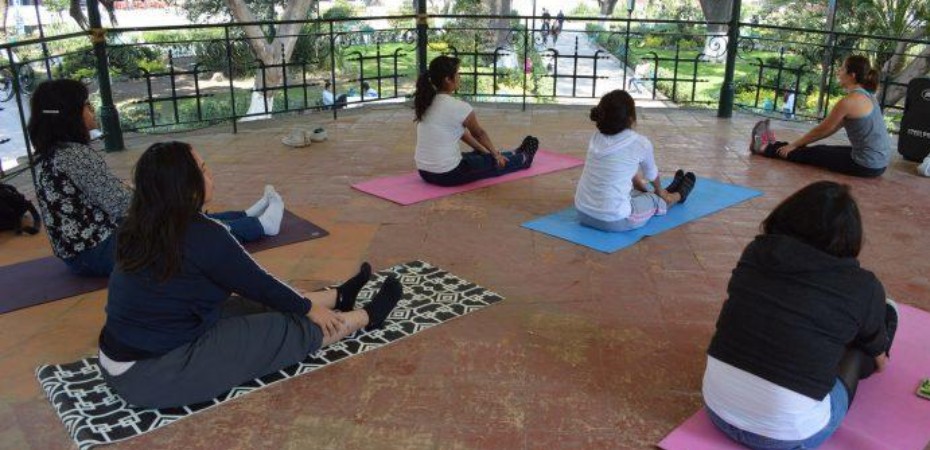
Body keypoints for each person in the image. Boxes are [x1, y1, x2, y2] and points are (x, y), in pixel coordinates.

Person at [96, 141, 404, 409]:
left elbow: (247, 292)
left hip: (121, 361)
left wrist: (312, 303)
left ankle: (339, 296)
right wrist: (311, 310)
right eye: (203, 169)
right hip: (155, 375)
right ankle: (365, 317)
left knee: (239, 307)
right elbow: (260, 284)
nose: (210, 174)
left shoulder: (136, 225)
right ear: (185, 186)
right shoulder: (204, 235)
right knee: (284, 328)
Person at [703, 181, 898, 449]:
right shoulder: (863, 285)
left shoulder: (756, 251)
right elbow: (880, 362)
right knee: (866, 339)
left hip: (716, 410)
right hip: (789, 437)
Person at [27, 79, 283, 278]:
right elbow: (123, 206)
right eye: (85, 104)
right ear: (70, 113)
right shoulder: (74, 156)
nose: (91, 110)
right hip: (98, 251)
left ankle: (245, 217)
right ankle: (260, 227)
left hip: (82, 251)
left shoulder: (51, 153)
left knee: (178, 218)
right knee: (181, 229)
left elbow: (99, 197)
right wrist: (154, 195)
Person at [750, 55, 892, 177]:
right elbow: (832, 128)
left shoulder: (850, 101)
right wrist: (799, 144)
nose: (838, 72)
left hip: (866, 165)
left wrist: (794, 145)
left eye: (842, 68)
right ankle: (774, 145)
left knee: (815, 153)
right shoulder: (868, 96)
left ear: (852, 75)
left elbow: (822, 130)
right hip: (878, 163)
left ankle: (763, 148)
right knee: (820, 149)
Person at [575, 90, 696, 232]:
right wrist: (659, 192)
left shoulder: (595, 138)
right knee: (657, 201)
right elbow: (652, 175)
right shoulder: (640, 143)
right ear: (631, 119)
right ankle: (677, 196)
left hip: (583, 212)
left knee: (633, 192)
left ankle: (664, 192)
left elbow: (626, 169)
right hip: (615, 220)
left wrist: (644, 191)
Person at [414, 55, 539, 187]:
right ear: (447, 79)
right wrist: (495, 156)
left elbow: (460, 133)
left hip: (425, 172)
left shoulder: (426, 103)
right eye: (457, 74)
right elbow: (479, 134)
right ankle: (524, 158)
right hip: (448, 174)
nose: (459, 77)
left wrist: (484, 151)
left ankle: (512, 153)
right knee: (493, 163)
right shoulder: (459, 107)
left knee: (476, 156)